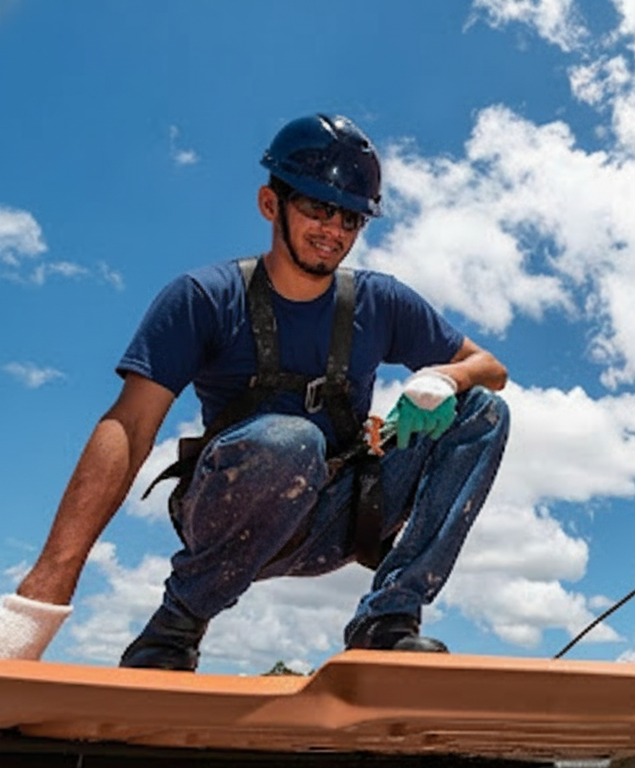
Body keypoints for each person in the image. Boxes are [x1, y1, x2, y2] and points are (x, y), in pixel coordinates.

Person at [0, 114, 510, 670]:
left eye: (351, 218)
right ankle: (175, 627)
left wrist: (444, 378)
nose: (333, 230)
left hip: (340, 516)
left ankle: (387, 619)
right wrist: (42, 596)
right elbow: (130, 426)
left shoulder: (381, 301)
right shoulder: (203, 298)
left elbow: (490, 367)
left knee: (483, 412)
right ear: (271, 204)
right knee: (292, 441)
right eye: (317, 208)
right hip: (231, 511)